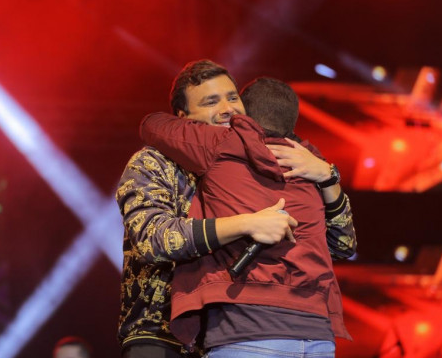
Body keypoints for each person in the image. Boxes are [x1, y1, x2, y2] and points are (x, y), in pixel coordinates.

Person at [116, 60, 355, 358]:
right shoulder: (153, 162)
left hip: (234, 332)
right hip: (162, 336)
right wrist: (246, 223)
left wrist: (328, 177)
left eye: (232, 97)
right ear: (183, 118)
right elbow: (155, 239)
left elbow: (341, 245)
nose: (227, 109)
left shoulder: (275, 160)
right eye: (211, 102)